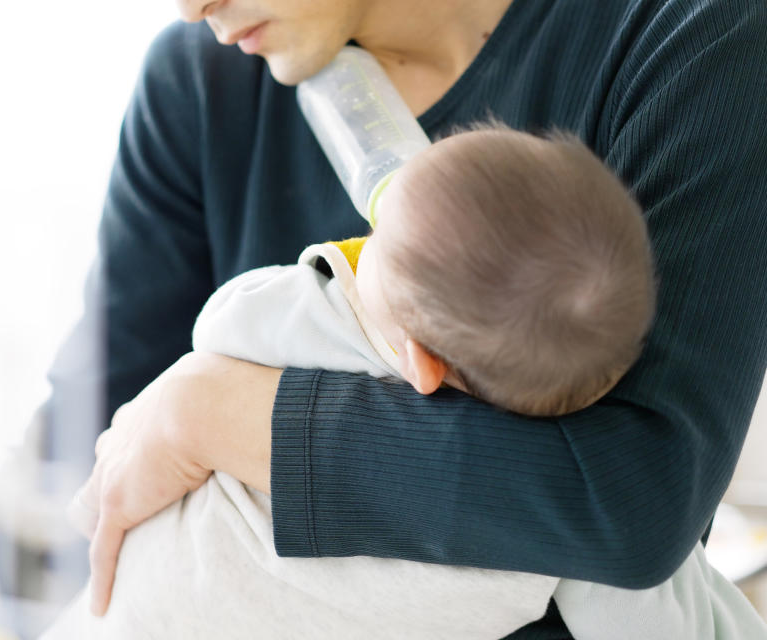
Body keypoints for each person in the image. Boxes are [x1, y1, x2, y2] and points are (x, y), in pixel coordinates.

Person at [47, 0, 767, 637]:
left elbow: (635, 501)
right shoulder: (202, 83)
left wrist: (210, 410)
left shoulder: (692, 41)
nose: (191, 7)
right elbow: (100, 439)